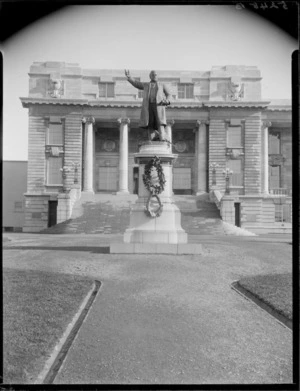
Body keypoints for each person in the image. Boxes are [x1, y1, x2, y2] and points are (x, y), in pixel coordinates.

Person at [125, 69, 171, 141]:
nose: (154, 76)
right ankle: (151, 139)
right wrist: (129, 77)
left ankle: (163, 139)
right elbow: (136, 84)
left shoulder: (162, 85)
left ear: (157, 76)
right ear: (150, 76)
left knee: (160, 123)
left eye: (155, 75)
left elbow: (169, 94)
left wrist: (167, 100)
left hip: (158, 106)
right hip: (149, 106)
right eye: (152, 75)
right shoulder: (146, 85)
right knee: (150, 123)